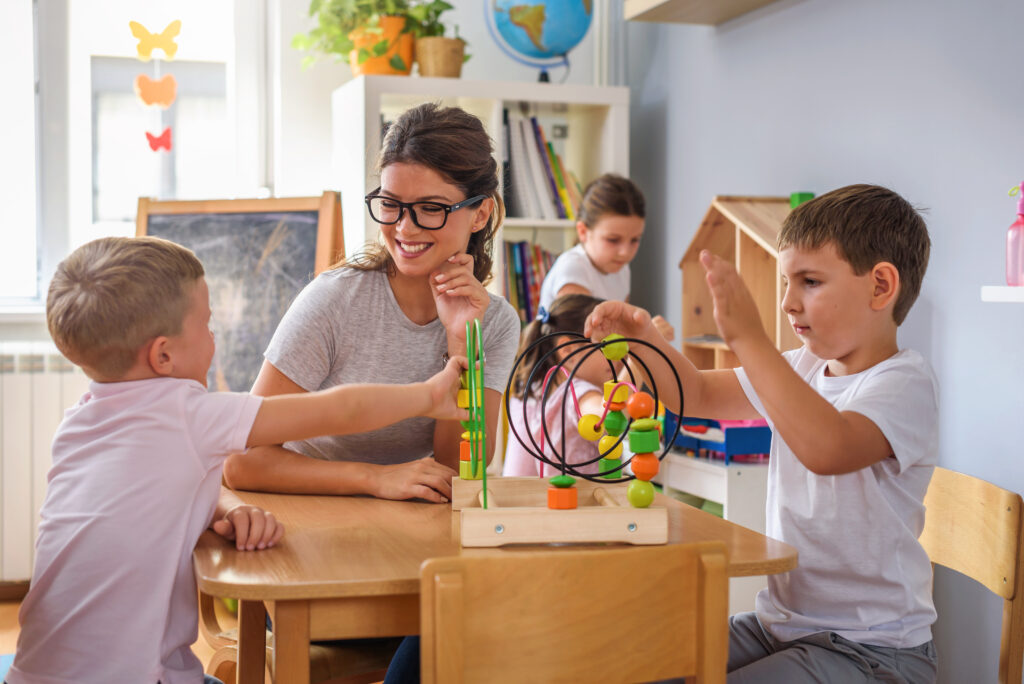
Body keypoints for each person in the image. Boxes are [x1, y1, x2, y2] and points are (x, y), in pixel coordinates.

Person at [8, 236, 467, 684]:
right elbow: (340, 410)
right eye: (207, 325)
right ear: (163, 355)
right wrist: (430, 394)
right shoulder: (191, 417)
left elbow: (135, 499)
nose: (214, 336)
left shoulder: (78, 424)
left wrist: (225, 506)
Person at [586, 184, 938, 683]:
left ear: (880, 286)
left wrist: (750, 339)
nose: (789, 302)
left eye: (809, 281)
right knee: (634, 662)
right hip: (779, 626)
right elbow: (697, 397)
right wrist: (644, 341)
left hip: (874, 650)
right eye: (785, 282)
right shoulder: (804, 366)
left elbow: (828, 446)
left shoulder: (905, 383)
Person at [221, 103, 520, 503]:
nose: (404, 227)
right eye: (391, 204)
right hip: (303, 511)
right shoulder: (334, 300)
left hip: (395, 519)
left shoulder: (494, 321)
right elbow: (241, 462)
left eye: (431, 208)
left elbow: (460, 471)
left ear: (481, 213)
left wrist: (462, 341)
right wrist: (374, 479)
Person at [537, 173, 674, 340]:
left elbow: (619, 331)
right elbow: (586, 342)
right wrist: (647, 336)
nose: (625, 252)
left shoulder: (621, 269)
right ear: (583, 232)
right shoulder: (573, 268)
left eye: (635, 240)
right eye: (613, 240)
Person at [503, 293, 614, 478]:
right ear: (568, 350)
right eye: (606, 346)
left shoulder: (531, 388)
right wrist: (638, 362)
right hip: (571, 503)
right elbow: (609, 419)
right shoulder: (576, 391)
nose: (618, 358)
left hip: (519, 500)